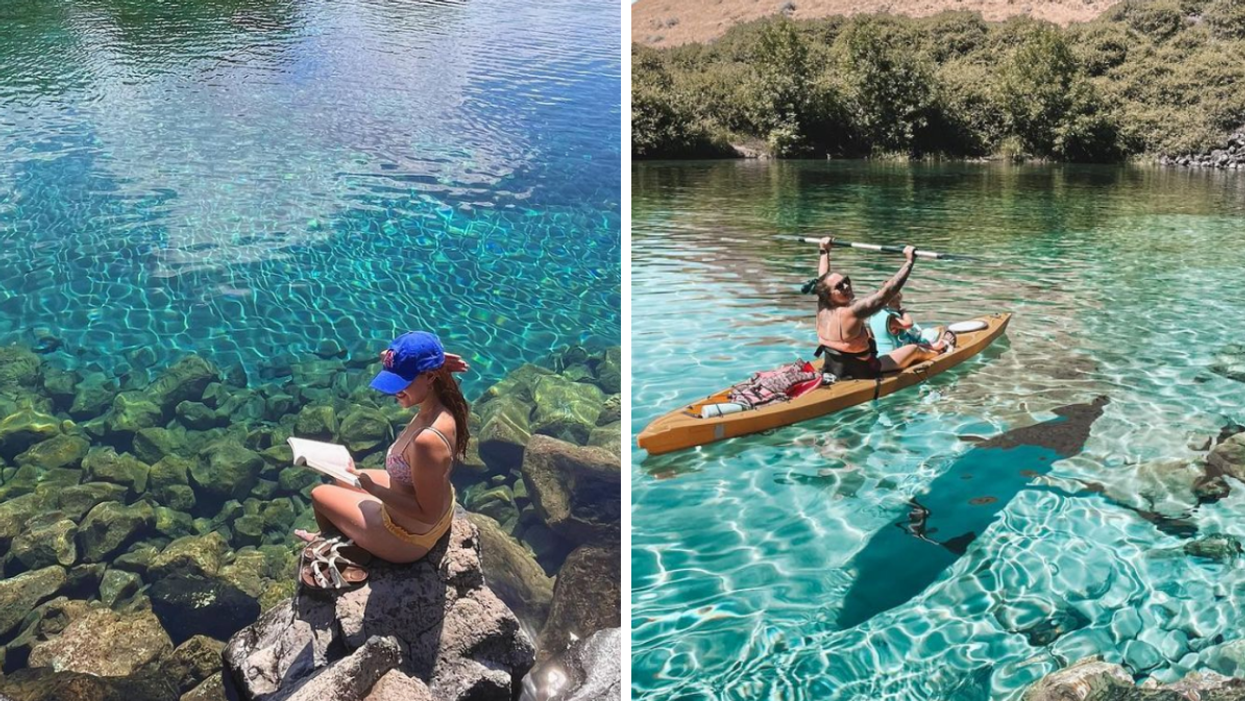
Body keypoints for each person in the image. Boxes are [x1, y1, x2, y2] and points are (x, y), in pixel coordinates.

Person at [294, 331, 471, 570]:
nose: (394, 392)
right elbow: (387, 357)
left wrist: (375, 490)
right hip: (422, 504)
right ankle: (355, 532)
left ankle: (332, 544)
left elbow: (428, 513)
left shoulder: (427, 441)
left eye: (402, 383)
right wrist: (434, 359)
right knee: (343, 476)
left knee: (319, 494)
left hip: (409, 538)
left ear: (430, 376)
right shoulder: (445, 403)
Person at [813, 237, 953, 380]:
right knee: (914, 350)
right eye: (839, 286)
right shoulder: (851, 312)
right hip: (865, 370)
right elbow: (886, 294)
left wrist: (824, 251)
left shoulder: (823, 304)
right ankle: (943, 350)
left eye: (846, 281)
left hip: (833, 368)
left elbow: (822, 279)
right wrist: (909, 262)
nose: (846, 286)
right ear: (829, 295)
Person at [867, 291, 947, 356]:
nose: (899, 306)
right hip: (896, 353)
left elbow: (872, 334)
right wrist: (903, 312)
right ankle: (933, 347)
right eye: (897, 304)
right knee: (915, 346)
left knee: (914, 341)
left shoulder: (873, 316)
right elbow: (909, 324)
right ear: (887, 304)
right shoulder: (890, 318)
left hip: (882, 353)